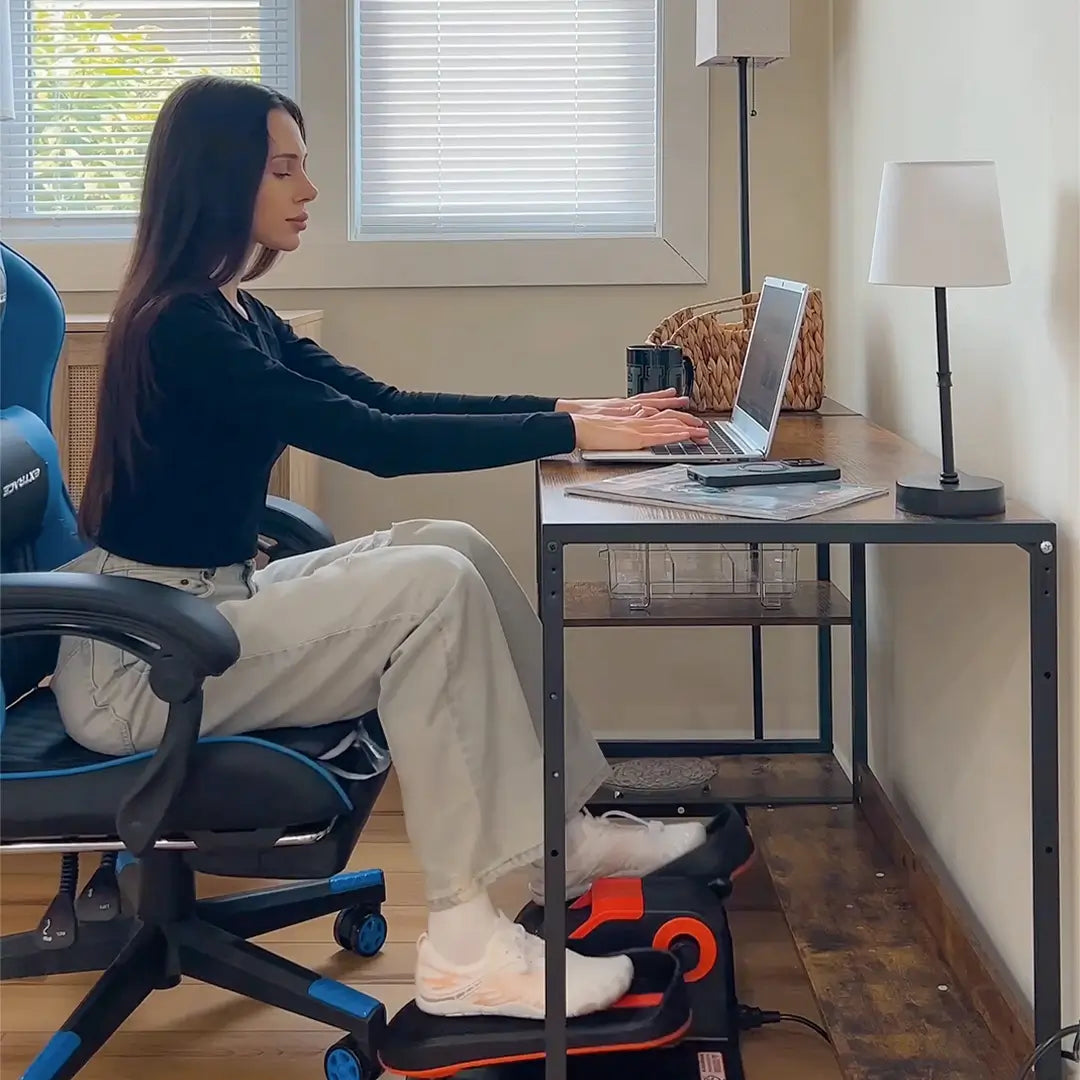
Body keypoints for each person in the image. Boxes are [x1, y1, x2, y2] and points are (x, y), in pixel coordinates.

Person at [50, 76, 713, 1023]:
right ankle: (464, 949)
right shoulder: (182, 331)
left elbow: (388, 405)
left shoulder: (235, 313)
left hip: (202, 609)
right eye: (285, 168)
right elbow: (380, 445)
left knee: (455, 546)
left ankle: (562, 838)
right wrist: (567, 436)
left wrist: (576, 411)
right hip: (147, 660)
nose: (309, 190)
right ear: (219, 178)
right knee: (429, 589)